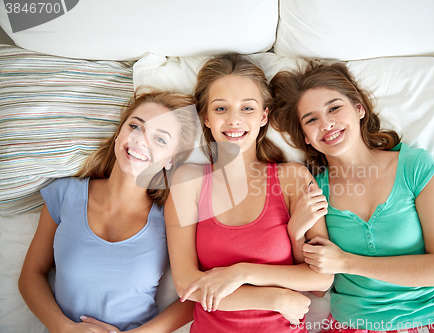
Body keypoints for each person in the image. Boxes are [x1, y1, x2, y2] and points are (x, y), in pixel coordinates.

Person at [269, 61, 434, 333]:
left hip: (427, 321)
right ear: (307, 138)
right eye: (311, 119)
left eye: (334, 108)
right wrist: (296, 231)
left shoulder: (414, 166)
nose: (326, 123)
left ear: (359, 109)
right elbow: (318, 288)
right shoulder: (314, 191)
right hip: (350, 325)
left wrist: (347, 262)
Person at [165, 53, 334, 332]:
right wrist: (273, 297)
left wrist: (242, 273)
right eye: (221, 109)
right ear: (205, 117)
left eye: (247, 108)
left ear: (264, 115)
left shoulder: (291, 178)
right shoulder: (188, 181)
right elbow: (187, 285)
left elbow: (321, 279)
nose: (234, 120)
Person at [18, 90, 199, 333]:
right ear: (118, 134)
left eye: (160, 139)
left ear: (170, 160)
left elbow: (194, 296)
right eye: (136, 127)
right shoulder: (63, 194)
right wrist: (64, 328)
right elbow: (31, 275)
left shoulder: (171, 216)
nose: (141, 140)